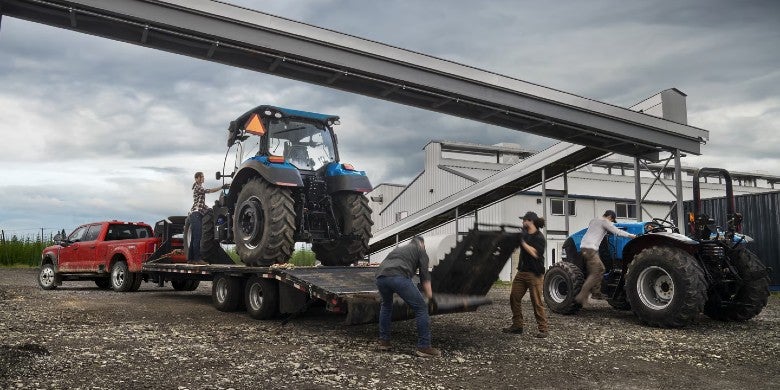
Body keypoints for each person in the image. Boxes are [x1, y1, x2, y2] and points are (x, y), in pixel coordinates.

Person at [375, 236, 441, 357]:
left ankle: (384, 341)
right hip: (398, 277)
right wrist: (431, 298)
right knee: (421, 308)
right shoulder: (421, 250)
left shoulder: (399, 249)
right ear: (422, 244)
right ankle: (424, 347)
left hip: (381, 277)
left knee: (386, 306)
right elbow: (425, 276)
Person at [575, 210, 637, 305]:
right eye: (612, 220)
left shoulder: (594, 220)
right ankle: (582, 296)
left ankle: (596, 293)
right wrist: (631, 236)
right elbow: (617, 231)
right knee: (595, 272)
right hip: (590, 249)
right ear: (610, 217)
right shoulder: (605, 222)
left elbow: (597, 230)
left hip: (585, 247)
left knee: (601, 269)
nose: (611, 222)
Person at [503, 211, 549, 338]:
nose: (522, 223)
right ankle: (517, 326)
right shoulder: (523, 233)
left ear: (530, 221)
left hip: (534, 274)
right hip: (522, 272)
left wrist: (522, 242)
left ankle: (543, 329)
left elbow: (534, 253)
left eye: (524, 220)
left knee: (537, 302)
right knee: (514, 297)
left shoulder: (539, 237)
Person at [188, 171, 222, 265]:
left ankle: (190, 259)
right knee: (198, 237)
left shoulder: (197, 187)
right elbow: (209, 191)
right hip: (196, 214)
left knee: (194, 238)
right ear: (197, 178)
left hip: (195, 214)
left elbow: (201, 204)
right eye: (202, 177)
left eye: (203, 177)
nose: (203, 178)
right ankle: (197, 259)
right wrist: (221, 187)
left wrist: (209, 209)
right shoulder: (198, 187)